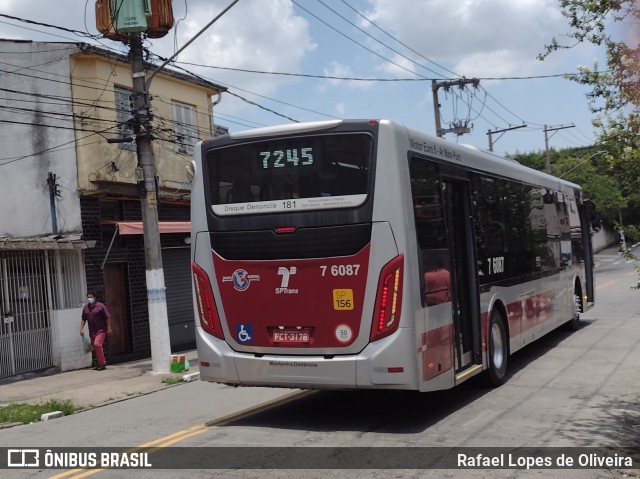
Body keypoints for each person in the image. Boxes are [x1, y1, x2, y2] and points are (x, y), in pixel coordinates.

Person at [80, 292, 112, 371]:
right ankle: (99, 363)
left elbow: (108, 317)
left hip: (101, 330)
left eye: (91, 297)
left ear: (95, 298)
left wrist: (109, 327)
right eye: (88, 297)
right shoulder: (86, 308)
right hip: (92, 331)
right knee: (96, 347)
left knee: (97, 344)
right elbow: (83, 319)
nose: (89, 299)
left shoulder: (101, 306)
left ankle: (102, 363)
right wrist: (81, 329)